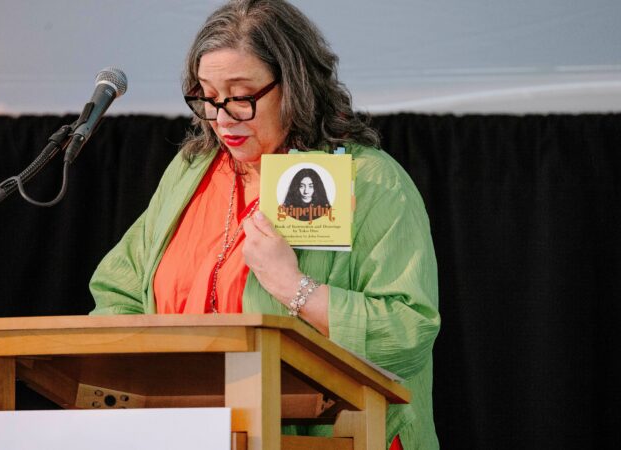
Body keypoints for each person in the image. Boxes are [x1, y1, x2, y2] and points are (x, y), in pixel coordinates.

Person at [89, 0, 440, 448]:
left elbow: (407, 331)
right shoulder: (191, 171)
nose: (221, 118)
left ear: (294, 86)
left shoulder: (368, 181)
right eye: (207, 97)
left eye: (241, 96)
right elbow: (118, 292)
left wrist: (296, 288)